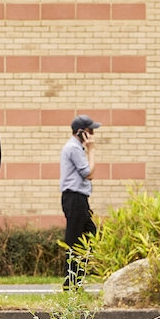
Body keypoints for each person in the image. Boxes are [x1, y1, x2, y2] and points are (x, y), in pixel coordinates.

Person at [60, 114, 100, 288]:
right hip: (74, 197)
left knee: (90, 234)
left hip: (79, 198)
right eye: (90, 131)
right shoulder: (74, 148)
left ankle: (78, 277)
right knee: (75, 239)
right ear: (82, 132)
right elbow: (89, 173)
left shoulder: (76, 148)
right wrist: (92, 150)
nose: (93, 134)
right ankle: (71, 282)